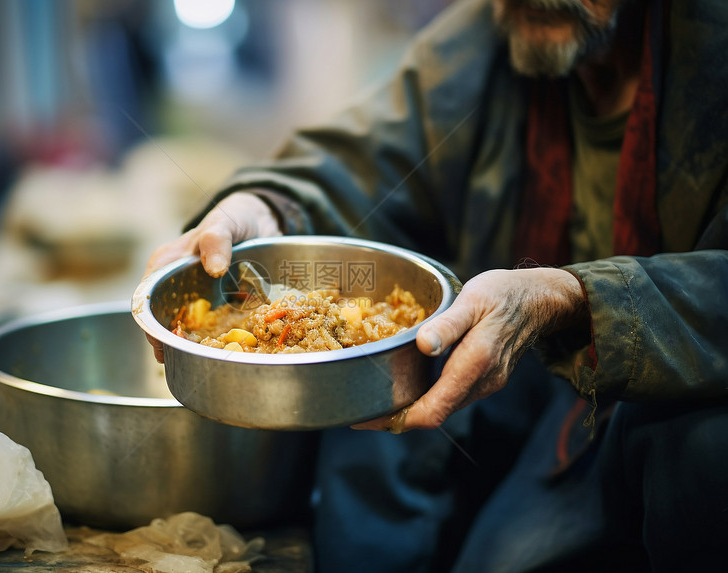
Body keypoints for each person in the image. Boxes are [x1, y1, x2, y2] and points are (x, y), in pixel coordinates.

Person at [145, 0, 728, 570]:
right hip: (548, 389)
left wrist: (572, 298)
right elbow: (364, 160)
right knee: (375, 400)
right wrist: (267, 209)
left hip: (677, 396)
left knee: (704, 449)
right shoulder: (494, 30)